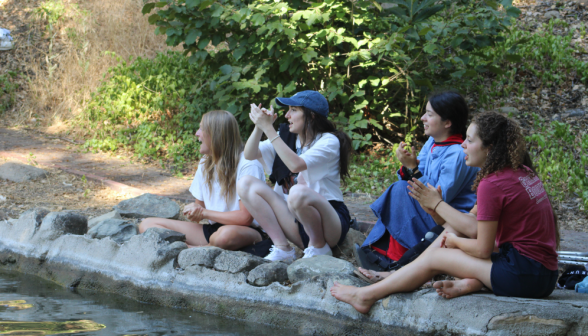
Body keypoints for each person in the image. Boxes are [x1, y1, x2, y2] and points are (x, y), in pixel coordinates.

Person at [331, 111, 560, 313]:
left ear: (490, 148)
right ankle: (467, 282)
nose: (463, 145)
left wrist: (450, 235)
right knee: (452, 229)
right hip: (544, 276)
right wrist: (435, 210)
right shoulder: (520, 171)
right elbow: (472, 227)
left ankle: (365, 296)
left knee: (438, 255)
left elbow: (484, 248)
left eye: (469, 141)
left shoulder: (493, 183)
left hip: (525, 276)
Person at [357, 91, 479, 270]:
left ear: (447, 122)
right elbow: (412, 180)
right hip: (428, 209)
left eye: (429, 114)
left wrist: (413, 168)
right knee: (401, 190)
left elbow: (438, 197)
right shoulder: (432, 142)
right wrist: (408, 166)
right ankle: (380, 251)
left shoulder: (458, 154)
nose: (423, 118)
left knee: (400, 190)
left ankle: (395, 259)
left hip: (447, 220)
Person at [238, 90, 352, 262]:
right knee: (245, 183)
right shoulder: (286, 138)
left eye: (293, 110)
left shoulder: (328, 141)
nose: (287, 115)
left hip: (329, 222)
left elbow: (296, 165)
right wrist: (260, 127)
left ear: (311, 116)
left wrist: (269, 129)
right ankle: (282, 248)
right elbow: (249, 154)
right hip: (296, 223)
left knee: (297, 192)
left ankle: (319, 247)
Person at [139, 110, 269, 256]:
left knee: (225, 235)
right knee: (147, 225)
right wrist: (194, 211)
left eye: (201, 129)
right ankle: (198, 250)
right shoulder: (205, 163)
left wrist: (204, 213)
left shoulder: (248, 164)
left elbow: (245, 218)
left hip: (247, 232)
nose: (197, 133)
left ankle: (192, 252)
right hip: (213, 231)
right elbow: (200, 209)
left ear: (215, 135)